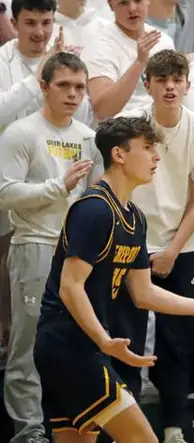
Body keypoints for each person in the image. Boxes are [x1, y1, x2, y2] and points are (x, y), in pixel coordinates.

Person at [32, 115, 194, 443]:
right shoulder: (95, 210)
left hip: (81, 347)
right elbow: (70, 287)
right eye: (148, 148)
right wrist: (104, 341)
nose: (156, 157)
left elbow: (144, 293)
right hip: (68, 345)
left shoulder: (134, 217)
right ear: (119, 155)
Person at [115, 49, 194, 443]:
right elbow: (118, 190)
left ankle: (174, 424)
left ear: (188, 85)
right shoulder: (130, 128)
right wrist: (135, 249)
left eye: (177, 80)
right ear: (148, 85)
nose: (170, 87)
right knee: (124, 335)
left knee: (177, 340)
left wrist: (173, 250)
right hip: (131, 245)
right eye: (162, 80)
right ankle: (124, 425)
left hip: (182, 246)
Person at [0, 52, 103, 443]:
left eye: (80, 87)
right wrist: (58, 186)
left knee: (77, 343)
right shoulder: (21, 132)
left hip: (77, 256)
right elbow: (5, 194)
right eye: (63, 85)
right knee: (28, 346)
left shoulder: (88, 138)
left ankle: (71, 427)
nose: (73, 94)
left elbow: (96, 197)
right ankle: (29, 432)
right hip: (34, 245)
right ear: (43, 87)